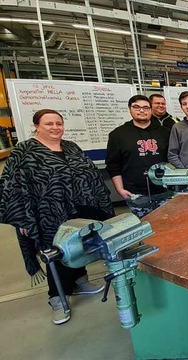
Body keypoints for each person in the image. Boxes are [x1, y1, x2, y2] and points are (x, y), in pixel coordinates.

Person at [0, 109, 114, 325]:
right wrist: (21, 220)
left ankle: (81, 281)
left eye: (58, 123)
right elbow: (10, 187)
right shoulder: (24, 151)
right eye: (49, 124)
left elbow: (89, 174)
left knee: (80, 247)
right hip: (48, 213)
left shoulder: (71, 146)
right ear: (37, 126)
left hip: (81, 209)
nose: (55, 128)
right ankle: (57, 298)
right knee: (57, 254)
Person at [106, 95, 172, 218]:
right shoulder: (118, 135)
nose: (142, 111)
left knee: (169, 227)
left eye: (146, 108)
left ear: (151, 110)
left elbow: (173, 158)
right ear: (129, 109)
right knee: (145, 228)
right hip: (136, 193)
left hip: (165, 190)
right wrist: (120, 189)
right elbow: (113, 164)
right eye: (137, 107)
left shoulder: (165, 132)